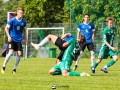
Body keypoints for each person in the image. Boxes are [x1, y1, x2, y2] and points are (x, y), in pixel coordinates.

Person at [1, 7, 27, 74]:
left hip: (19, 40)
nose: (21, 14)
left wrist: (25, 39)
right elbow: (6, 28)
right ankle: (3, 66)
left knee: (19, 54)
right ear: (17, 12)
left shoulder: (24, 21)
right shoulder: (12, 20)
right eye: (20, 12)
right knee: (10, 53)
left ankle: (14, 69)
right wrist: (9, 36)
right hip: (12, 39)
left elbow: (24, 30)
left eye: (22, 13)